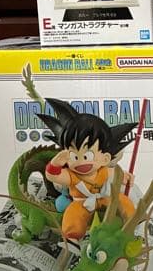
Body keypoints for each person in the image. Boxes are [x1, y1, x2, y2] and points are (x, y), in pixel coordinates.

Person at [43, 100, 137, 242]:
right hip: (82, 203)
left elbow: (116, 175)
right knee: (72, 214)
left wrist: (126, 177)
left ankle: (132, 224)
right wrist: (55, 163)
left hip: (105, 198)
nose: (81, 161)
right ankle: (72, 238)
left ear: (105, 158)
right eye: (75, 156)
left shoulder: (104, 170)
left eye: (87, 156)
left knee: (123, 202)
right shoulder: (72, 175)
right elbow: (53, 176)